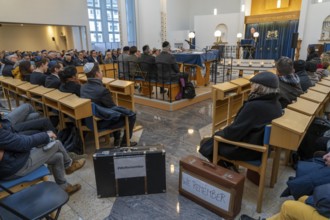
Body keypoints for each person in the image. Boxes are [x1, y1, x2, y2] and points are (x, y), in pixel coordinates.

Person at [199, 71, 282, 163]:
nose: (251, 87)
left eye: (252, 85)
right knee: (212, 141)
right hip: (262, 146)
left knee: (207, 143)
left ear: (259, 88)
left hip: (250, 149)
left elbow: (234, 133)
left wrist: (218, 134)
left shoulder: (254, 106)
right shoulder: (276, 103)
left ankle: (224, 170)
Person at [0, 126, 85, 195]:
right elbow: (24, 143)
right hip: (16, 168)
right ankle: (69, 165)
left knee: (58, 156)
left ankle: (63, 186)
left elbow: (16, 140)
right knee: (56, 144)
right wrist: (46, 135)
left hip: (13, 163)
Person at [80, 63, 137, 147]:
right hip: (100, 122)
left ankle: (117, 139)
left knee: (113, 111)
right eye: (101, 71)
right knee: (131, 115)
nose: (101, 72)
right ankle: (125, 142)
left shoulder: (82, 87)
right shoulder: (102, 90)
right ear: (97, 74)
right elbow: (112, 107)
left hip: (88, 121)